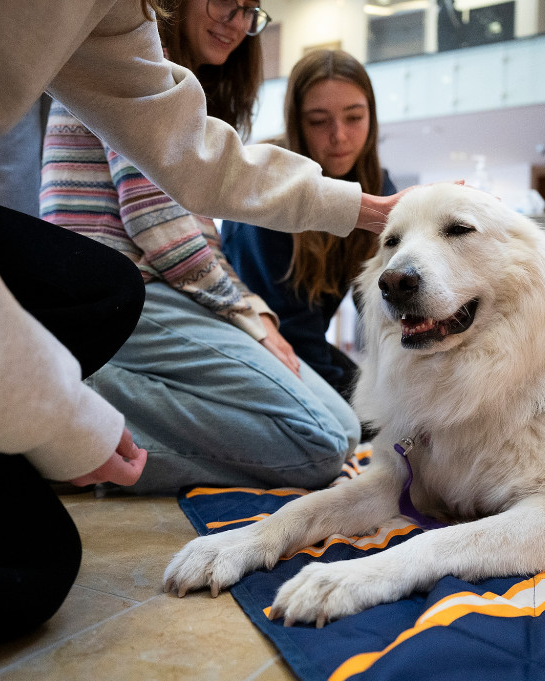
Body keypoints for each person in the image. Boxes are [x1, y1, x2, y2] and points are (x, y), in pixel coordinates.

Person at [0, 0, 403, 666]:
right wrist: (52, 415)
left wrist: (364, 208)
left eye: (248, 9)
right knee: (32, 567)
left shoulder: (120, 24)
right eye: (321, 120)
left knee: (325, 424)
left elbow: (193, 152)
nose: (235, 18)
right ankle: (24, 430)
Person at [40, 0, 361, 494]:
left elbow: (184, 235)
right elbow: (154, 223)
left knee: (345, 429)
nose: (234, 21)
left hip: (171, 284)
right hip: (127, 284)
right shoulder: (140, 57)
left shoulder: (184, 80)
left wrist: (249, 315)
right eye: (223, 3)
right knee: (318, 446)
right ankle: (60, 412)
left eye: (249, 12)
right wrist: (249, 315)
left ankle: (84, 411)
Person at [221, 50, 398, 407]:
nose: (340, 136)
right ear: (296, 122)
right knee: (358, 422)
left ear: (372, 117)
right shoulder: (266, 181)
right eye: (319, 121)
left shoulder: (378, 183)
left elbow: (384, 310)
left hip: (306, 345)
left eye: (355, 117)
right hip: (253, 346)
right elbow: (290, 330)